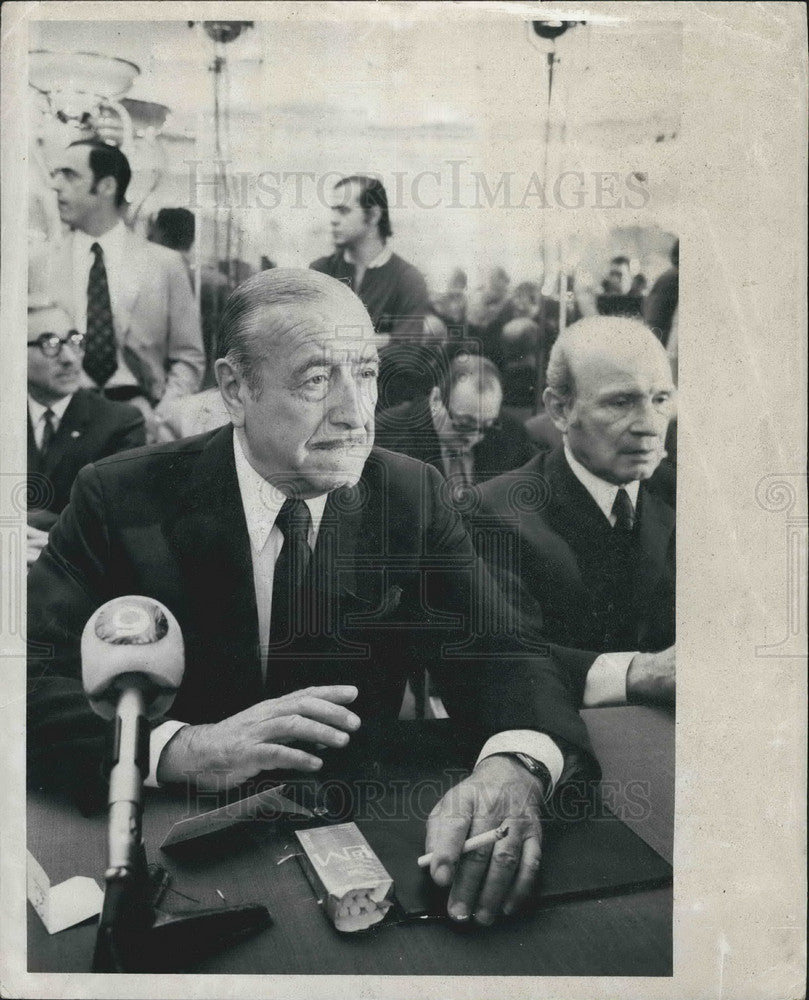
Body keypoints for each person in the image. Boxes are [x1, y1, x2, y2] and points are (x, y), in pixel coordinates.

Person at [28, 268, 602, 927]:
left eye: (364, 372)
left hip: (359, 856)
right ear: (236, 388)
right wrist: (183, 748)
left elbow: (505, 650)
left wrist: (514, 766)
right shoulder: (120, 496)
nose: (356, 413)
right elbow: (23, 676)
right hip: (175, 855)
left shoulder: (407, 494)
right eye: (314, 380)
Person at [475, 316, 676, 706]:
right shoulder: (496, 513)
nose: (650, 426)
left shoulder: (689, 497)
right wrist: (639, 673)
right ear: (560, 410)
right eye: (621, 402)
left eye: (661, 400)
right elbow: (504, 664)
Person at [46, 140, 205, 440]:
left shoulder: (165, 264)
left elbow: (188, 358)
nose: (56, 185)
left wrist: (161, 419)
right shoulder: (40, 263)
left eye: (69, 175)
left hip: (139, 423)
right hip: (63, 427)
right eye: (56, 174)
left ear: (106, 186)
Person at [26, 302, 145, 565]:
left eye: (74, 340)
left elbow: (118, 524)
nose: (69, 358)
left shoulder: (120, 423)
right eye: (50, 344)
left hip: (76, 574)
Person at [310, 175, 431, 408]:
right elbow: (307, 341)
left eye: (343, 211)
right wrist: (383, 339)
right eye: (333, 210)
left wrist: (337, 341)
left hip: (380, 407)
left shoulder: (408, 279)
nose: (333, 220)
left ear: (374, 215)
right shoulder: (320, 271)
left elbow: (404, 357)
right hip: (321, 404)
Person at [375, 351, 536, 493]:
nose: (473, 437)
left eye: (486, 425)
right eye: (464, 423)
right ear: (436, 399)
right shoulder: (387, 435)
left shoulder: (511, 432)